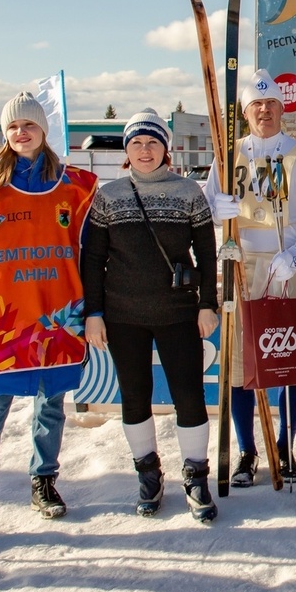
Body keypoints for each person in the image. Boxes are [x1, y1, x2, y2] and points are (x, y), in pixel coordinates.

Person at [0, 92, 98, 552]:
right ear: (5, 134)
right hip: (6, 323)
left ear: (43, 130)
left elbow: (91, 256)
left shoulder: (74, 187)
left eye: (28, 125)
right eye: (13, 127)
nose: (21, 133)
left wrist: (94, 312)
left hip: (57, 318)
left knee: (51, 405)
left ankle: (44, 479)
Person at [82, 109, 220, 520]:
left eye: (153, 142)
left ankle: (196, 475)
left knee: (189, 397)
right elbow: (93, 259)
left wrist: (207, 303)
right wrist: (93, 312)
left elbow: (208, 253)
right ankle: (148, 473)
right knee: (134, 396)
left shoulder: (189, 192)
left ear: (166, 148)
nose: (145, 151)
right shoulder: (108, 195)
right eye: (136, 144)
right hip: (123, 315)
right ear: (127, 150)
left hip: (178, 314)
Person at [206, 70, 296, 487]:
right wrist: (216, 211)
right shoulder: (228, 155)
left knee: (284, 361)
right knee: (241, 365)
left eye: (272, 104)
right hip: (242, 262)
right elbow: (206, 208)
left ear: (282, 108)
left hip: (286, 262)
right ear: (245, 112)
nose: (265, 111)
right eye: (256, 105)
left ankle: (284, 446)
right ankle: (246, 451)